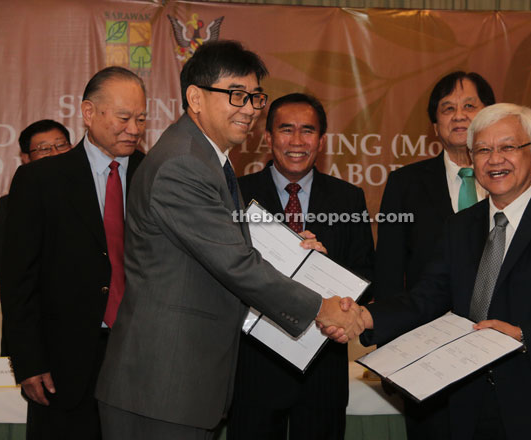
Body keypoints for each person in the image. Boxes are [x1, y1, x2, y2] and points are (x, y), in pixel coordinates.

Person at [94, 41, 362, 440]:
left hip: (178, 384)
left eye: (255, 96)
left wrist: (290, 248)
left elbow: (225, 241)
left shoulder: (207, 159)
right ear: (195, 98)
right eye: (236, 95)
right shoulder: (184, 163)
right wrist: (322, 307)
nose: (250, 108)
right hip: (162, 385)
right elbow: (236, 264)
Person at [330, 103, 531, 439]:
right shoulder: (459, 227)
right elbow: (425, 299)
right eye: (482, 149)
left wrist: (523, 335)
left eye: (508, 147)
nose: (495, 159)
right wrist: (364, 317)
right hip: (467, 409)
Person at [1, 67, 147, 439]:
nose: (134, 128)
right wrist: (28, 361)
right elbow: (19, 279)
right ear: (88, 113)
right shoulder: (40, 181)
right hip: (63, 362)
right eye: (124, 117)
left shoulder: (156, 176)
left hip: (141, 355)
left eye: (142, 118)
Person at [227, 93, 374, 440]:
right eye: (286, 130)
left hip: (322, 370)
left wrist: (323, 270)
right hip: (253, 369)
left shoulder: (348, 198)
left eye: (307, 131)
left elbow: (367, 275)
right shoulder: (236, 195)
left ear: (321, 141)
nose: (296, 141)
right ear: (268, 138)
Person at [373, 71, 495, 439]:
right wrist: (390, 356)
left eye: (469, 106)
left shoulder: (514, 178)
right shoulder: (404, 185)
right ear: (434, 125)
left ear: (489, 115)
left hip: (501, 356)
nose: (459, 115)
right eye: (447, 108)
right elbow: (390, 272)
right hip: (427, 359)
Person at [0, 119, 72, 283]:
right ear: (26, 158)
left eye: (61, 145)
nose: (55, 153)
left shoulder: (93, 194)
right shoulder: (8, 206)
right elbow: (8, 267)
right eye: (44, 149)